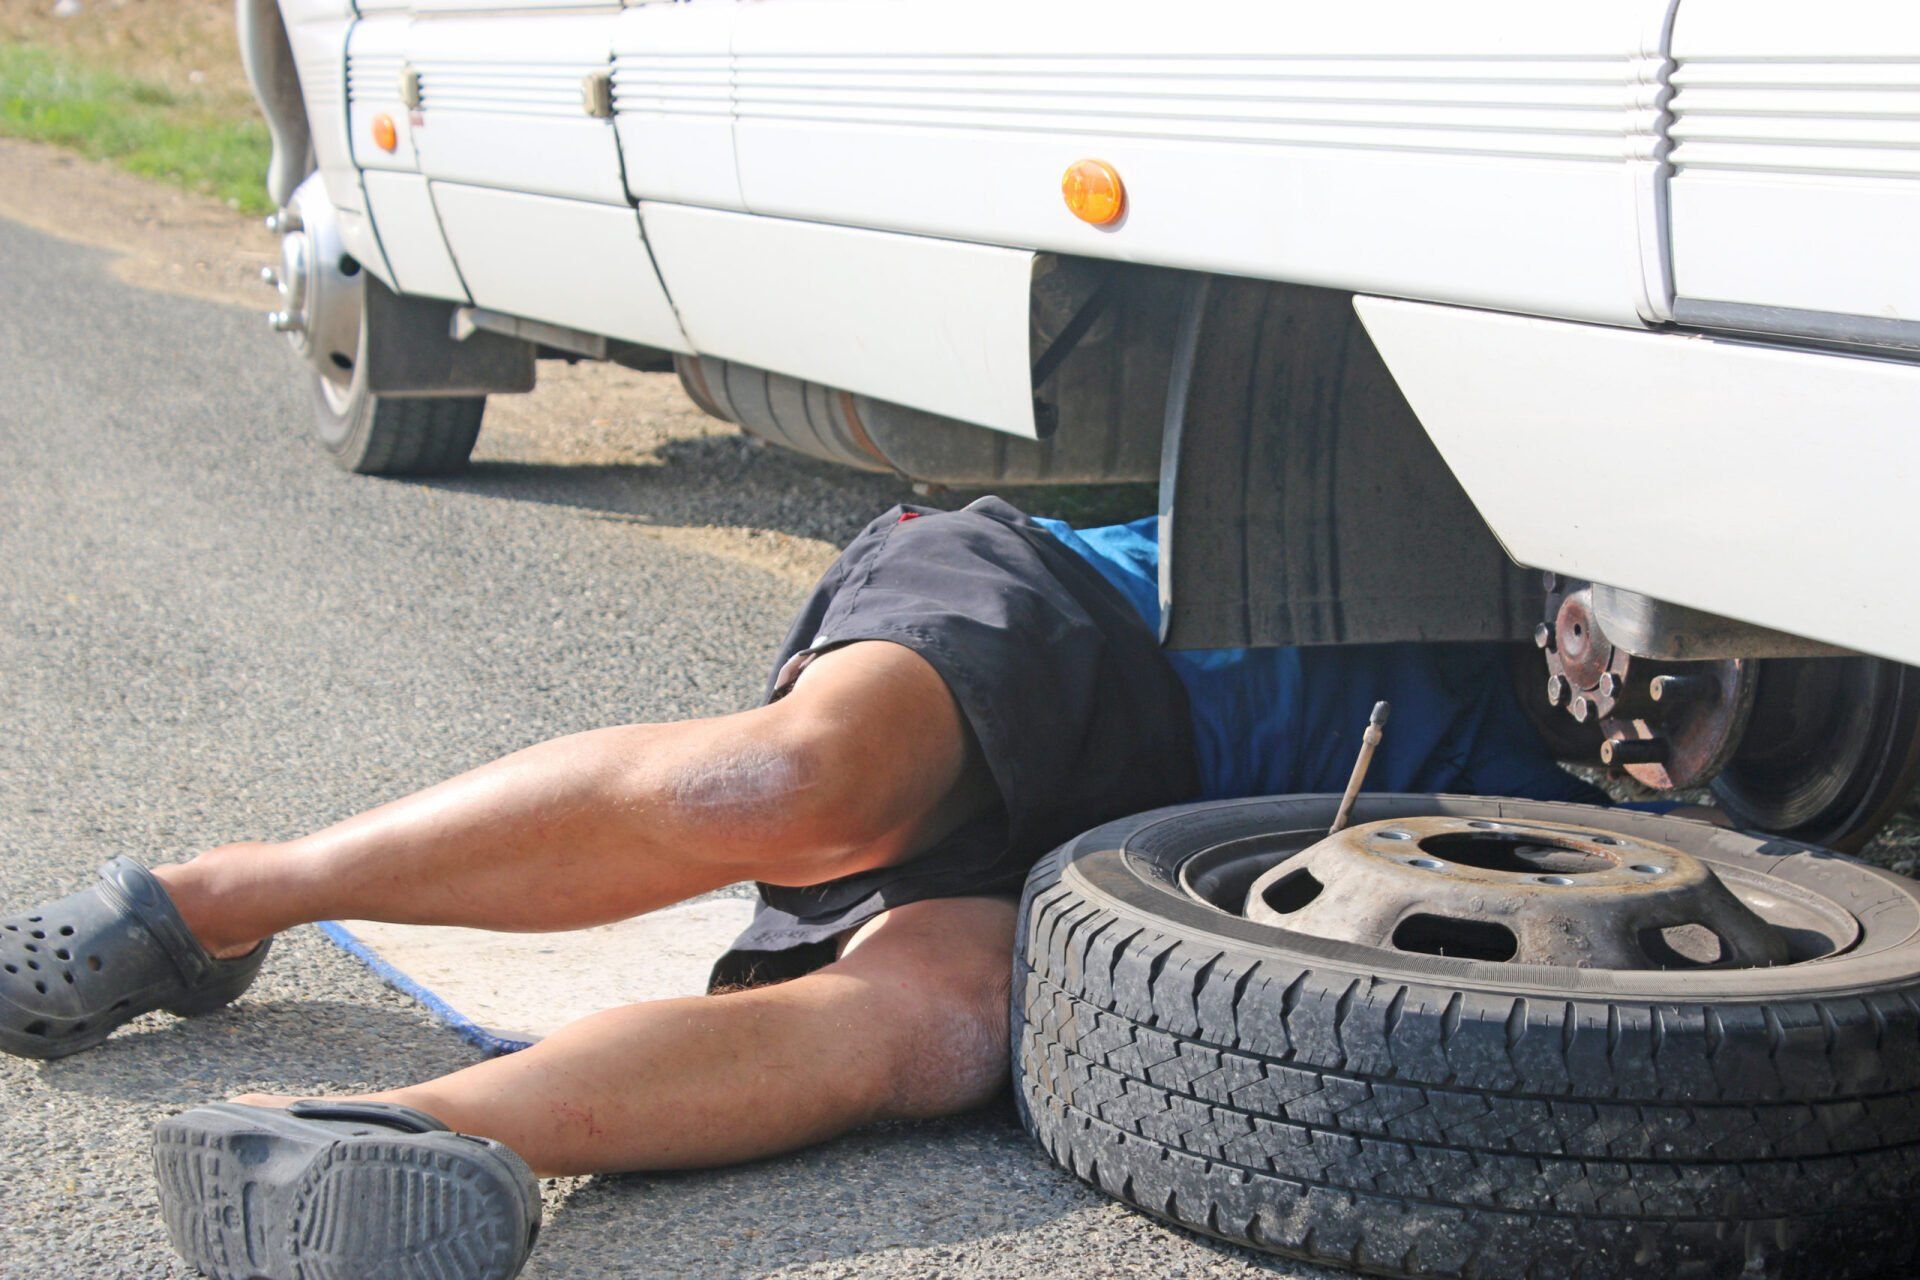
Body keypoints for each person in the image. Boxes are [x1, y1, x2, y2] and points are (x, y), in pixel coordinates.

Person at [0, 497, 1618, 1280]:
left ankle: (399, 1144)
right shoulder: (1534, 490)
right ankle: (208, 900)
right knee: (795, 786)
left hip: (1147, 853)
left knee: (944, 1029)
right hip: (1079, 621)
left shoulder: (1670, 797)